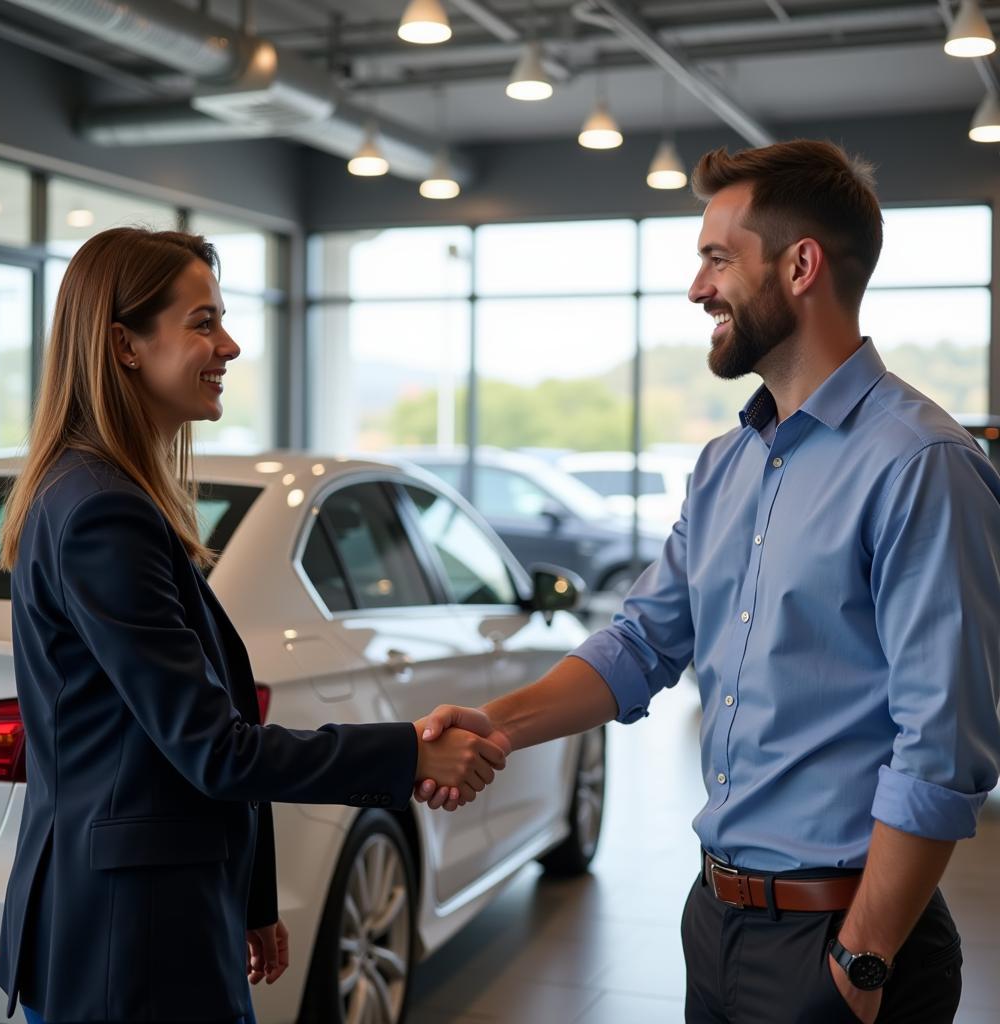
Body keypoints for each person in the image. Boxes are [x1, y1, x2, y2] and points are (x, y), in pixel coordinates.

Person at [416, 140, 1000, 1024]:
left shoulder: (921, 464)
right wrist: (495, 725)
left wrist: (863, 963)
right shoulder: (727, 464)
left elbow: (943, 748)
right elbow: (642, 642)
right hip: (717, 920)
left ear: (802, 266)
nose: (697, 290)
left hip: (845, 940)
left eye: (718, 259)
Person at [0, 227, 506, 1024]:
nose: (228, 345)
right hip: (128, 946)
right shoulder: (103, 511)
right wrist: (410, 750)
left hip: (142, 920)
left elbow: (176, 741)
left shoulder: (102, 493)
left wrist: (252, 892)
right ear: (125, 344)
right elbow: (213, 748)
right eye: (203, 322)